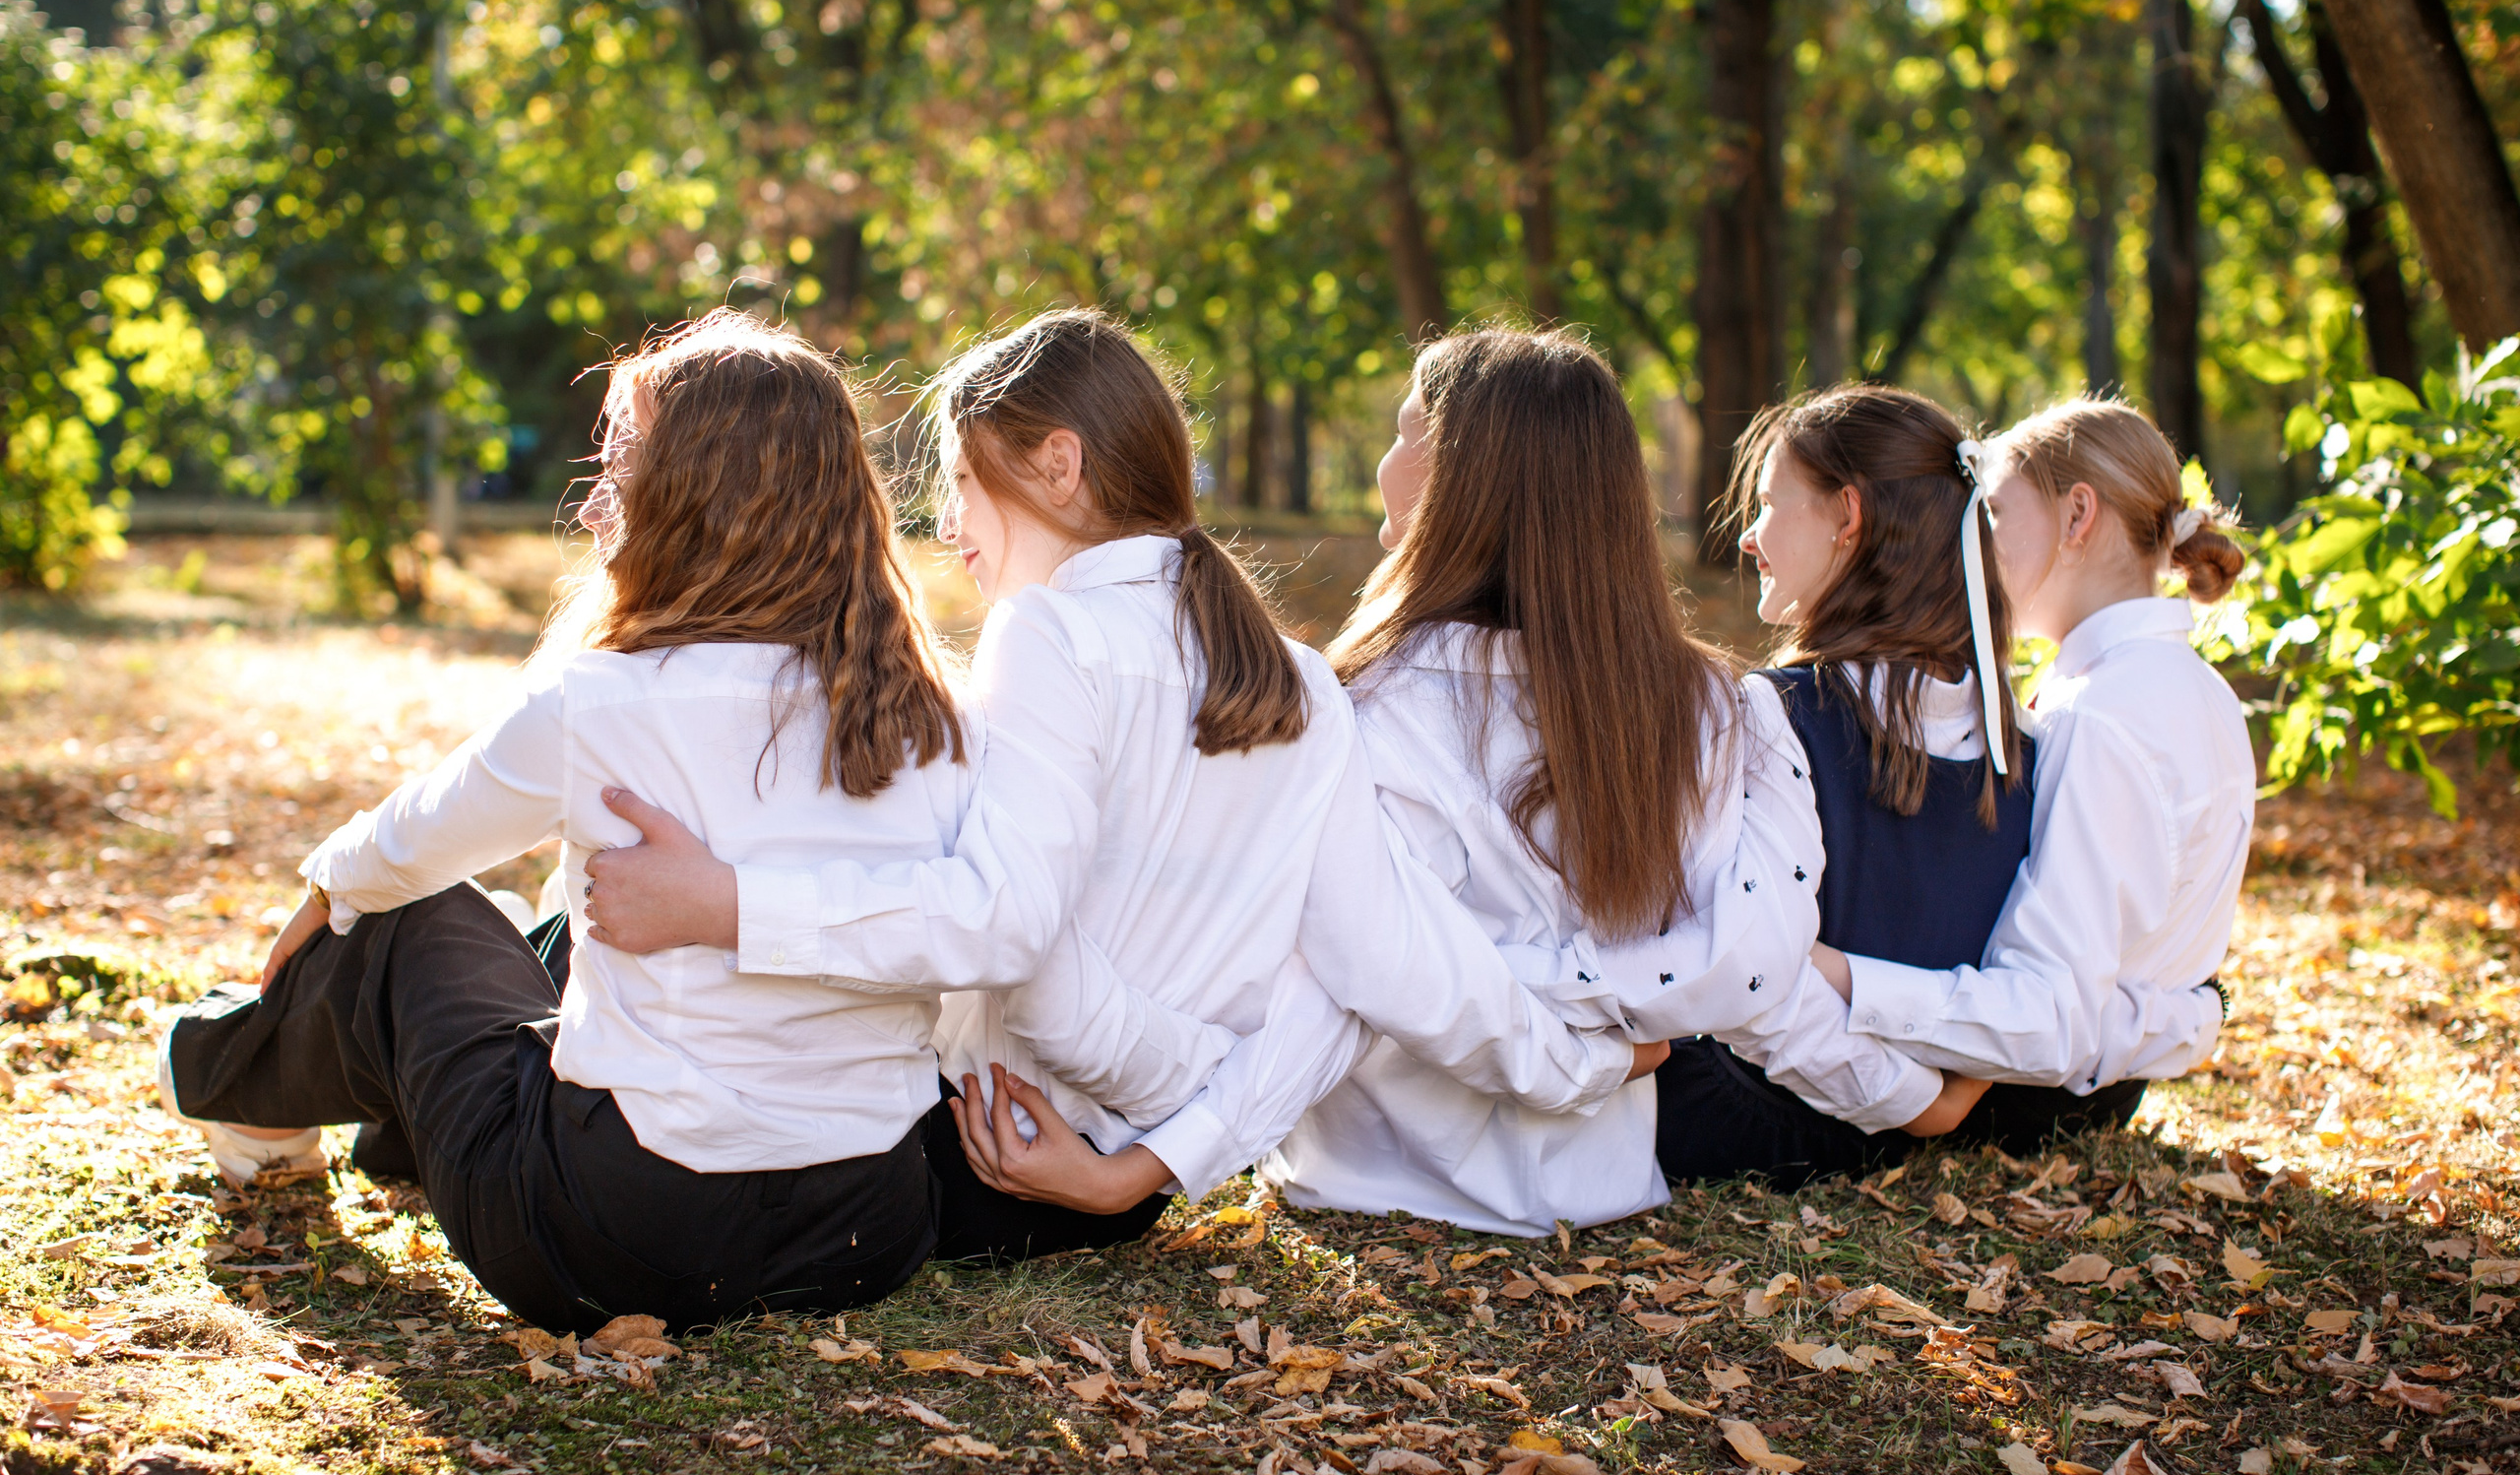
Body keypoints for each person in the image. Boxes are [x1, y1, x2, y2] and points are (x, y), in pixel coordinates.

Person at [580, 310, 1658, 1249]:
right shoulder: (1302, 680)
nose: (947, 525)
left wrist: (1167, 1082)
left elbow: (1021, 945)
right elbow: (1375, 973)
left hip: (983, 1150)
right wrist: (1573, 1067)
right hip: (1105, 1179)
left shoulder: (1048, 634)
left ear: (1057, 465)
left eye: (959, 481)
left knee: (550, 955)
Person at [156, 309, 1027, 1331]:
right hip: (864, 1233)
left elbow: (408, 844)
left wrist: (327, 884)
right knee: (558, 934)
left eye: (620, 463)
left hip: (622, 1237)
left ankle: (215, 1069)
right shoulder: (946, 717)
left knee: (419, 918)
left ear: (691, 500)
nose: (593, 503)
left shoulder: (603, 701)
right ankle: (374, 1124)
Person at [1250, 328, 1826, 1235]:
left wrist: (1501, 981)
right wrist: (1605, 1036)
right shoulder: (1710, 707)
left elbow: (1368, 966)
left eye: (1405, 433)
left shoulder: (1355, 708)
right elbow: (1746, 961)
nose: (1383, 466)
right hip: (1596, 1182)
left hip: (1372, 1174)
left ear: (1458, 470)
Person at [1804, 397, 2248, 1114]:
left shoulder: (2102, 714)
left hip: (2029, 1096)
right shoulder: (2203, 691)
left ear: (2077, 517)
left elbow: (2049, 1016)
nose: (1975, 545)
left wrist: (1841, 976)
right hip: (2103, 1082)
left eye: (1998, 516)